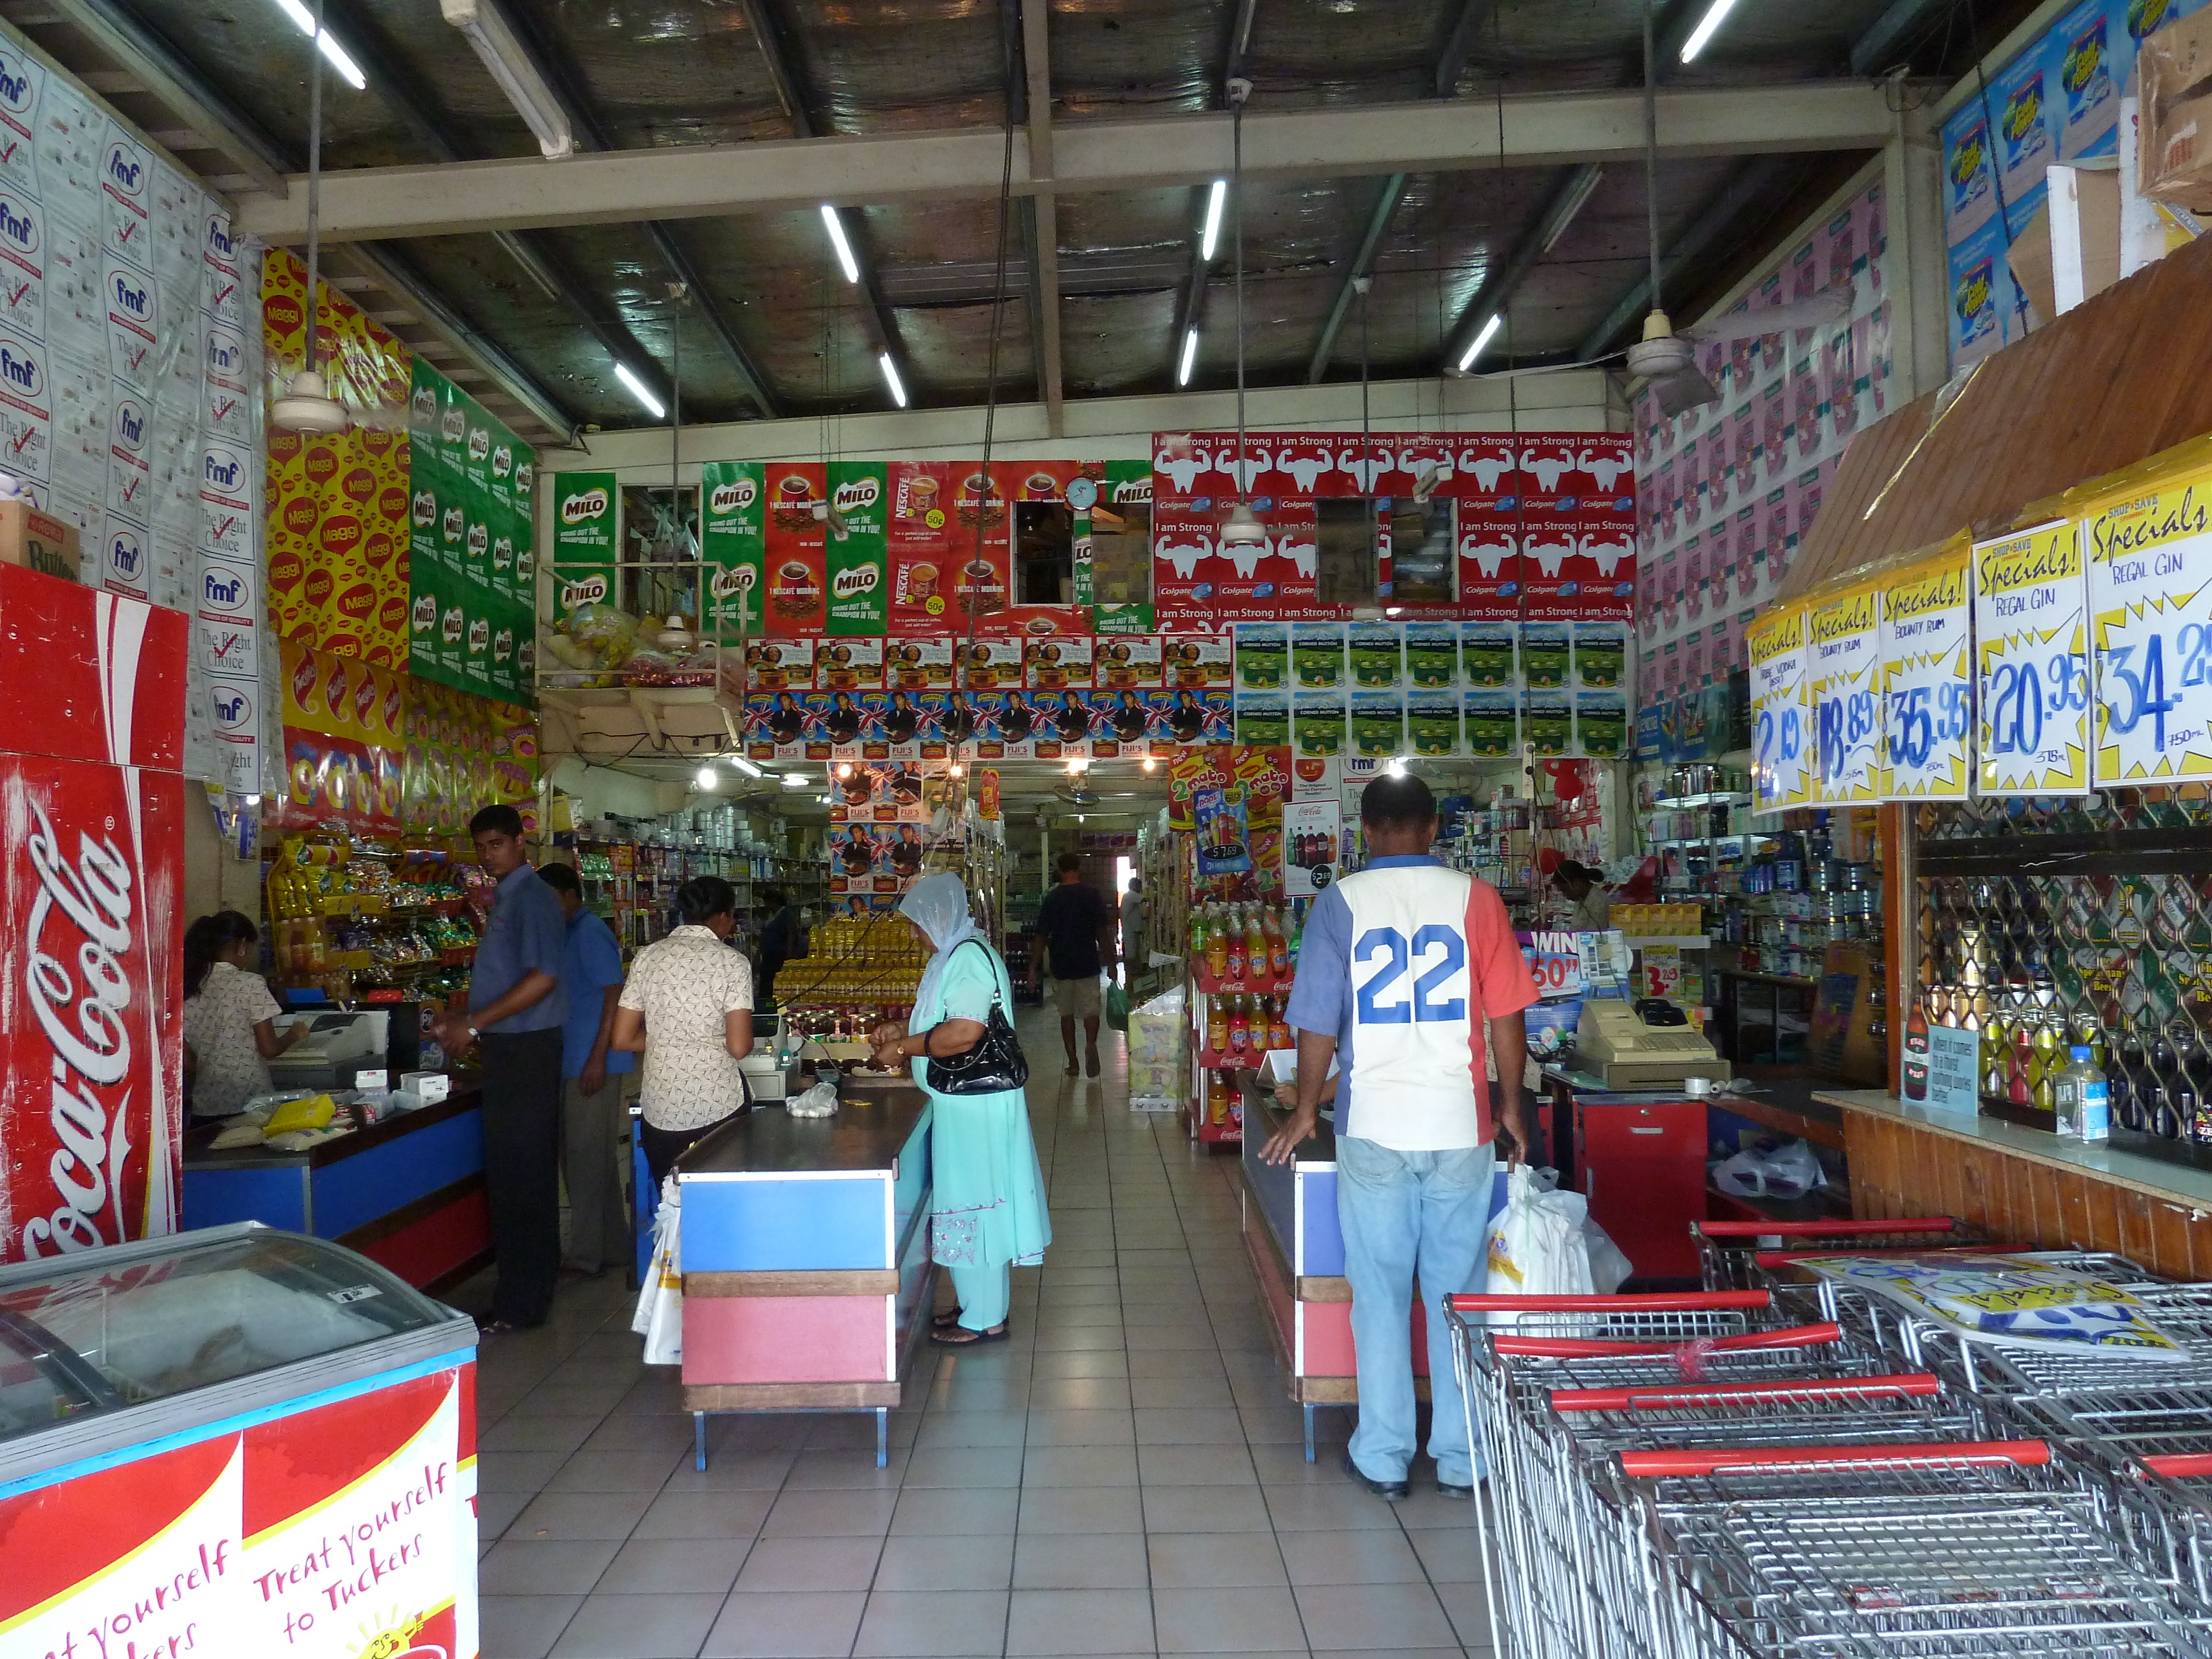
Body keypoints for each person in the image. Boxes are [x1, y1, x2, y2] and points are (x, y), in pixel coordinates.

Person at [1264, 773, 1536, 1501]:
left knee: (1379, 1294)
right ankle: (1461, 1455)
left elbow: (1318, 1020)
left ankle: (1384, 1454)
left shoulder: (1339, 902)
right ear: (1433, 827)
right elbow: (1507, 1017)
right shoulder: (1477, 900)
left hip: (1373, 1125)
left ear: (1364, 830)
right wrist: (1510, 1105)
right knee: (1459, 1292)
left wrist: (1303, 1112)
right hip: (1459, 1124)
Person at [870, 875, 1049, 1345]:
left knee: (976, 1204)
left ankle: (984, 1318)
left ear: (939, 917)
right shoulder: (955, 955)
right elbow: (941, 1021)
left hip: (977, 1107)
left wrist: (905, 1049)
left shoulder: (967, 957)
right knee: (969, 1201)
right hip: (964, 1104)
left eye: (917, 925)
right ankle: (978, 1305)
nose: (915, 935)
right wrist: (900, 1031)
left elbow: (964, 1034)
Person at [429, 806, 569, 1332]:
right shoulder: (506, 896)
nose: (489, 856)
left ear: (519, 843)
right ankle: (526, 1292)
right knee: (516, 1175)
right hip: (512, 1046)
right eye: (482, 847)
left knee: (523, 1175)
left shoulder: (530, 897)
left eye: (497, 845)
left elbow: (543, 978)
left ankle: (524, 1302)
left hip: (527, 1049)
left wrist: (476, 1024)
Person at [611, 875, 755, 1188]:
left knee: (674, 1206)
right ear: (723, 916)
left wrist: (670, 1037)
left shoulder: (647, 957)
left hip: (660, 1110)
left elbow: (622, 1039)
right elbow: (740, 1046)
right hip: (718, 1107)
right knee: (717, 1204)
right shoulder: (733, 963)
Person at [538, 862, 633, 1279]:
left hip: (591, 1062)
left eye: (552, 900)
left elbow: (616, 995)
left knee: (582, 1162)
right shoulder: (564, 933)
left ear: (572, 896)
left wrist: (598, 1057)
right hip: (573, 1059)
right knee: (594, 1159)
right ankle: (614, 1246)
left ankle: (584, 1256)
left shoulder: (590, 933)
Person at [182, 911, 306, 1118]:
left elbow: (187, 1062)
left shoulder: (187, 987)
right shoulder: (250, 983)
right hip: (250, 1102)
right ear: (241, 946)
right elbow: (269, 1049)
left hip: (204, 1106)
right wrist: (295, 1034)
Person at [1031, 851, 1115, 1077]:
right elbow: (1102, 932)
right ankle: (1091, 1044)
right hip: (1087, 962)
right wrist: (1113, 962)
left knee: (1066, 1014)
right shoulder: (1091, 895)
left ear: (1059, 870)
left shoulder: (1052, 898)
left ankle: (1073, 1062)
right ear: (1079, 868)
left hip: (1061, 964)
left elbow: (1041, 935)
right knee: (1091, 1010)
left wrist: (1033, 969)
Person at [756, 886, 804, 1008]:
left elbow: (791, 935)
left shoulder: (786, 914)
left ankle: (775, 1007)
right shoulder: (769, 915)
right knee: (765, 982)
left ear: (775, 901)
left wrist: (789, 955)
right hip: (768, 955)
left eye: (768, 901)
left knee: (776, 983)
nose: (766, 904)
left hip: (780, 955)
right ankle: (764, 1006)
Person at [1551, 859, 1611, 931]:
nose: (1565, 895)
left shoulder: (1598, 901)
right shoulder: (1582, 899)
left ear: (1577, 883)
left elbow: (1592, 935)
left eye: (1565, 890)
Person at [1119, 877, 1145, 976]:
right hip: (1130, 930)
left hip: (1132, 929)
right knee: (1132, 954)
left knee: (1134, 953)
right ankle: (1131, 976)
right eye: (1139, 886)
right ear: (1134, 886)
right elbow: (1145, 899)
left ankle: (1133, 975)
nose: (1140, 888)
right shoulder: (1130, 895)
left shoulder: (1130, 896)